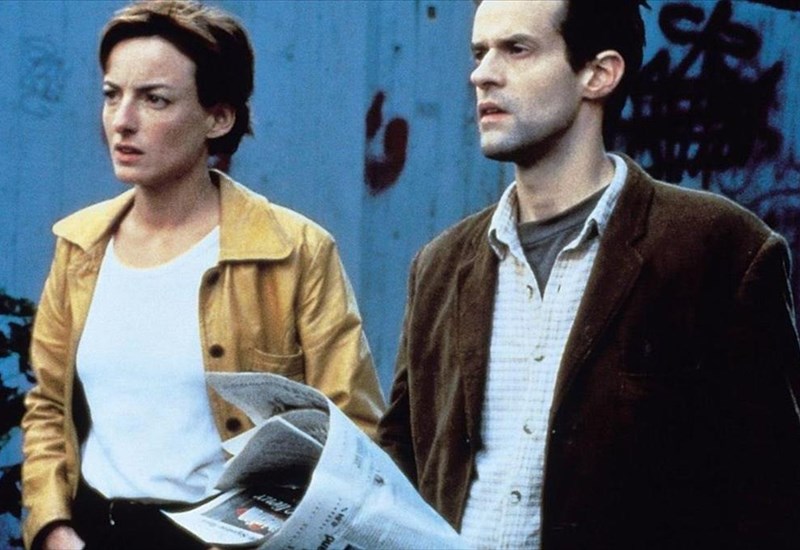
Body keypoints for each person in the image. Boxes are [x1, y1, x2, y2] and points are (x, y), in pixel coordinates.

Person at [377, 1, 800, 548]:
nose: (481, 74)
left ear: (598, 74)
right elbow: (401, 464)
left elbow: (770, 500)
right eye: (479, 53)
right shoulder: (438, 266)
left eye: (516, 49)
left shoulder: (720, 250)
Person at [21, 1, 385, 549]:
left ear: (219, 118)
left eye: (155, 99)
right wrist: (54, 528)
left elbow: (351, 432)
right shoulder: (80, 247)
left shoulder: (293, 251)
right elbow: (49, 408)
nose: (122, 120)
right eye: (112, 94)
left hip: (228, 539)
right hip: (93, 532)